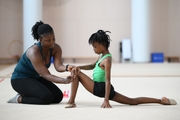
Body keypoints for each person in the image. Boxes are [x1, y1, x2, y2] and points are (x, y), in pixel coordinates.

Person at [65, 30, 177, 108]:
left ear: (103, 45)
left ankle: (71, 101)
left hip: (101, 88)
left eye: (95, 46)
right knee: (132, 101)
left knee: (76, 73)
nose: (93, 49)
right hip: (101, 87)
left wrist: (106, 99)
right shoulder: (101, 56)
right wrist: (79, 66)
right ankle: (160, 101)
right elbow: (92, 65)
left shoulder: (107, 60)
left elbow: (108, 80)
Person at [8, 21, 75, 105]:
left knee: (58, 96)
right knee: (46, 98)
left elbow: (58, 66)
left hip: (34, 78)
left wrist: (67, 67)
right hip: (19, 79)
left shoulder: (56, 48)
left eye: (53, 38)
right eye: (48, 40)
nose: (52, 42)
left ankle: (30, 92)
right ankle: (19, 98)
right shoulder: (34, 52)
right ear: (40, 39)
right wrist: (64, 81)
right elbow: (46, 75)